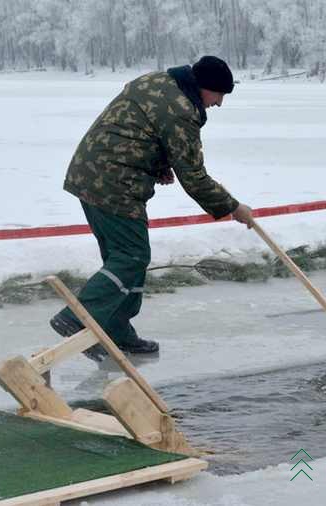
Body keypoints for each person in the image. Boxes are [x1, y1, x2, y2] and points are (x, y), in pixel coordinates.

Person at [50, 55, 255, 362]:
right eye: (220, 95)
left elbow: (137, 125)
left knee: (121, 258)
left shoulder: (158, 81)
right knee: (132, 257)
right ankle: (79, 318)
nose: (220, 103)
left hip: (89, 173)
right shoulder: (182, 111)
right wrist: (233, 207)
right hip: (115, 183)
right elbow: (194, 177)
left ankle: (115, 331)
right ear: (204, 88)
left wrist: (155, 161)